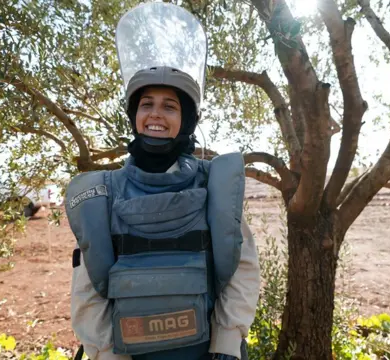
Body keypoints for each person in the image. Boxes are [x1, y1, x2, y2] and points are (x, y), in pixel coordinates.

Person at [64, 3, 261, 360]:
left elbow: (241, 268)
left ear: (185, 121)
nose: (155, 114)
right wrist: (108, 354)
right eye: (146, 104)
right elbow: (88, 292)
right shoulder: (103, 194)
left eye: (170, 106)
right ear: (134, 115)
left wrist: (228, 344)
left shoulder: (212, 185)